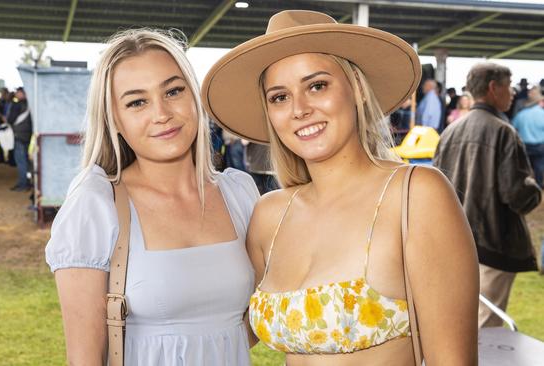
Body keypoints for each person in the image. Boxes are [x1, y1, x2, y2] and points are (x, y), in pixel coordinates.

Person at [203, 10, 479, 365]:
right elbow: (229, 331)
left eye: (317, 85)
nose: (299, 109)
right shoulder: (270, 214)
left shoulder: (415, 196)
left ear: (358, 89)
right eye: (279, 97)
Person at [45, 29, 260, 366]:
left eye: (173, 91)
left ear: (195, 96)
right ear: (115, 119)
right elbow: (84, 358)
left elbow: (252, 324)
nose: (162, 113)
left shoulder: (239, 193)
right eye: (137, 102)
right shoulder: (97, 205)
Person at [433, 63, 541, 328]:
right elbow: (517, 194)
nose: (513, 92)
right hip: (493, 243)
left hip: (454, 242)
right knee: (485, 331)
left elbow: (435, 188)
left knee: (456, 324)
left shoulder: (449, 132)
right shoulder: (503, 131)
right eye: (509, 85)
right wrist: (535, 191)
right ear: (493, 88)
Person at [512, 86, 544, 186]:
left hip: (524, 146)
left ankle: (527, 188)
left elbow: (513, 128)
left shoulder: (521, 114)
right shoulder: (542, 114)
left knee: (525, 169)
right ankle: (539, 187)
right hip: (540, 146)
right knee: (539, 167)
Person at [7, 87, 32, 191]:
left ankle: (23, 184)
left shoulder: (17, 105)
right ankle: (26, 181)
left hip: (19, 135)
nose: (15, 94)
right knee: (25, 160)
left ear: (22, 93)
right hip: (27, 135)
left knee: (21, 161)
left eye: (17, 92)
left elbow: (10, 119)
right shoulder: (30, 104)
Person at [0, 87, 9, 163]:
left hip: (6, 124)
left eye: (4, 93)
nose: (2, 94)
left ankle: (9, 159)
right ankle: (1, 158)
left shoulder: (8, 102)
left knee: (8, 141)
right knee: (0, 141)